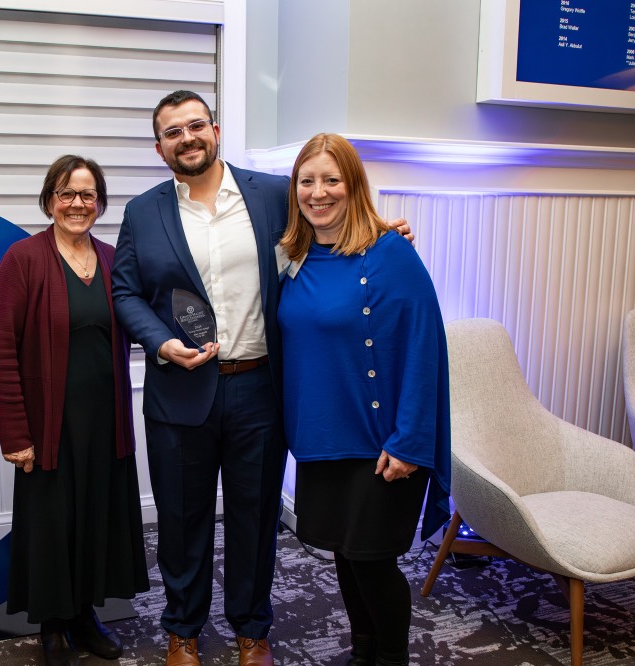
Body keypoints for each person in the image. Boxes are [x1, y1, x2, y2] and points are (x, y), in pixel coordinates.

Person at [111, 89, 290, 666]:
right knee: (182, 520)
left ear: (215, 130)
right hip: (179, 391)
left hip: (259, 388)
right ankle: (183, 630)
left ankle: (251, 630)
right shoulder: (144, 211)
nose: (186, 138)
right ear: (159, 147)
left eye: (195, 126)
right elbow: (125, 291)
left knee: (254, 517)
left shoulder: (274, 196)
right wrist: (158, 340)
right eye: (172, 132)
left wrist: (384, 230)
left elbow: (332, 235)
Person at [277, 133, 451, 666]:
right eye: (308, 181)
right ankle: (363, 652)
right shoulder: (293, 254)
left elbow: (426, 350)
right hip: (323, 440)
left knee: (372, 561)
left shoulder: (390, 252)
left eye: (332, 180)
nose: (318, 192)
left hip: (381, 445)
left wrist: (409, 442)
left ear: (354, 186)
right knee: (345, 558)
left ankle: (391, 657)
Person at [0, 155, 149, 666]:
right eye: (66, 193)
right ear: (50, 199)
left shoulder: (112, 259)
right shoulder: (24, 259)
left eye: (88, 194)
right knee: (53, 527)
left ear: (99, 202)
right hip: (49, 427)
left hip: (105, 423)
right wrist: (15, 434)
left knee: (94, 521)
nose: (77, 203)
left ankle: (84, 618)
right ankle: (52, 629)